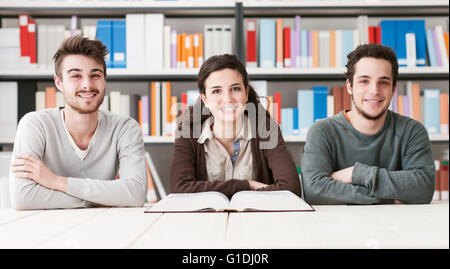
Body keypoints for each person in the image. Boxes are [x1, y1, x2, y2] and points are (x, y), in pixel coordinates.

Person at [9, 35, 147, 210]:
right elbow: (24, 198)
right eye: (76, 76)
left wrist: (57, 182)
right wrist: (101, 199)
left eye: (95, 75)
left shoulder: (125, 129)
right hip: (45, 230)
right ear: (59, 82)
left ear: (104, 79)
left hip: (106, 227)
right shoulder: (35, 125)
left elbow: (135, 194)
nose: (87, 85)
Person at [301, 43, 435, 204]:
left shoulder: (412, 131)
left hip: (399, 225)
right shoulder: (322, 131)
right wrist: (390, 197)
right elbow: (315, 192)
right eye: (364, 81)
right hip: (336, 226)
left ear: (393, 88)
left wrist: (358, 174)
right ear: (349, 86)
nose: (374, 91)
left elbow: (423, 188)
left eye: (383, 82)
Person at [170, 54, 301, 198]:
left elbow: (291, 189)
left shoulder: (267, 130)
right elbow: (180, 190)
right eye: (216, 91)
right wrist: (247, 185)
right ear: (204, 99)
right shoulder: (188, 134)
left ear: (246, 93)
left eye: (235, 89)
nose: (228, 99)